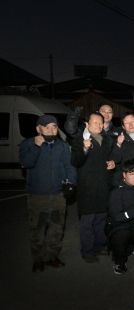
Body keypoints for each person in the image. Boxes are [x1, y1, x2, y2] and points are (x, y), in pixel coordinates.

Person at [19, 115, 77, 272]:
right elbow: (26, 163)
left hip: (58, 195)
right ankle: (37, 259)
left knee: (56, 228)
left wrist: (71, 183)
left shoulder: (62, 146)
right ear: (38, 129)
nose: (51, 129)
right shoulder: (28, 144)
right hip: (38, 196)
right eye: (47, 126)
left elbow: (69, 166)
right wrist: (36, 146)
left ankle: (52, 256)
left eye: (54, 126)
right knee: (37, 229)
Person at [71, 112, 116, 263]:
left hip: (103, 186)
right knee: (87, 221)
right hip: (87, 188)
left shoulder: (108, 140)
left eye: (100, 122)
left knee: (101, 219)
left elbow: (112, 157)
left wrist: (113, 163)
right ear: (87, 124)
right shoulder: (79, 139)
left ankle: (99, 245)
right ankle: (87, 251)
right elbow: (75, 161)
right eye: (94, 122)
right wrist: (84, 149)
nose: (98, 125)